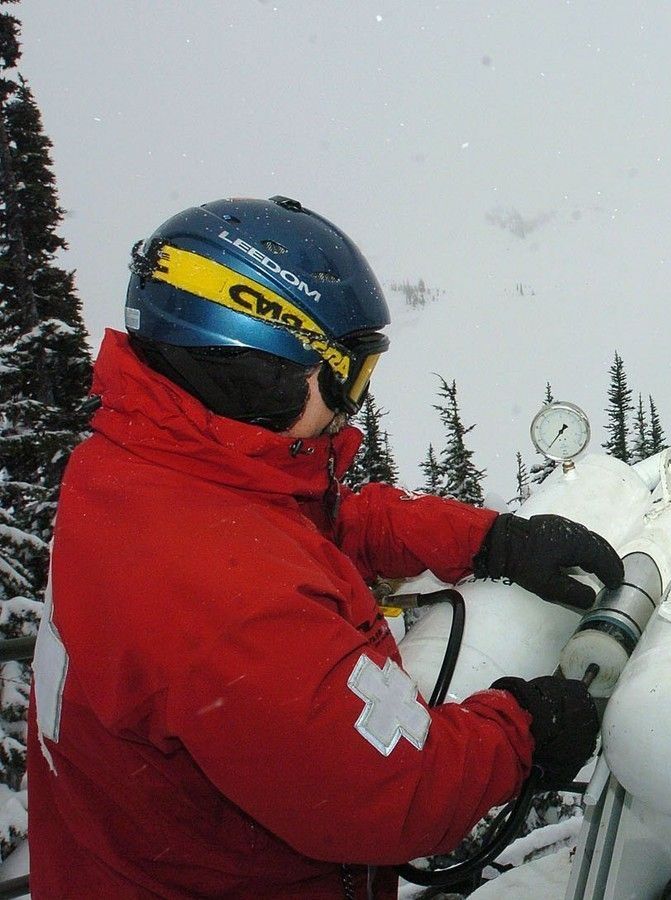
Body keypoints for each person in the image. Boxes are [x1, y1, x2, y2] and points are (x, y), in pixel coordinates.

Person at [27, 196, 623, 898]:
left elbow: (310, 525)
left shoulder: (143, 470)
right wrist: (524, 729)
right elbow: (398, 793)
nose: (350, 407)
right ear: (260, 371)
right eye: (346, 376)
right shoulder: (230, 604)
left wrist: (489, 539)